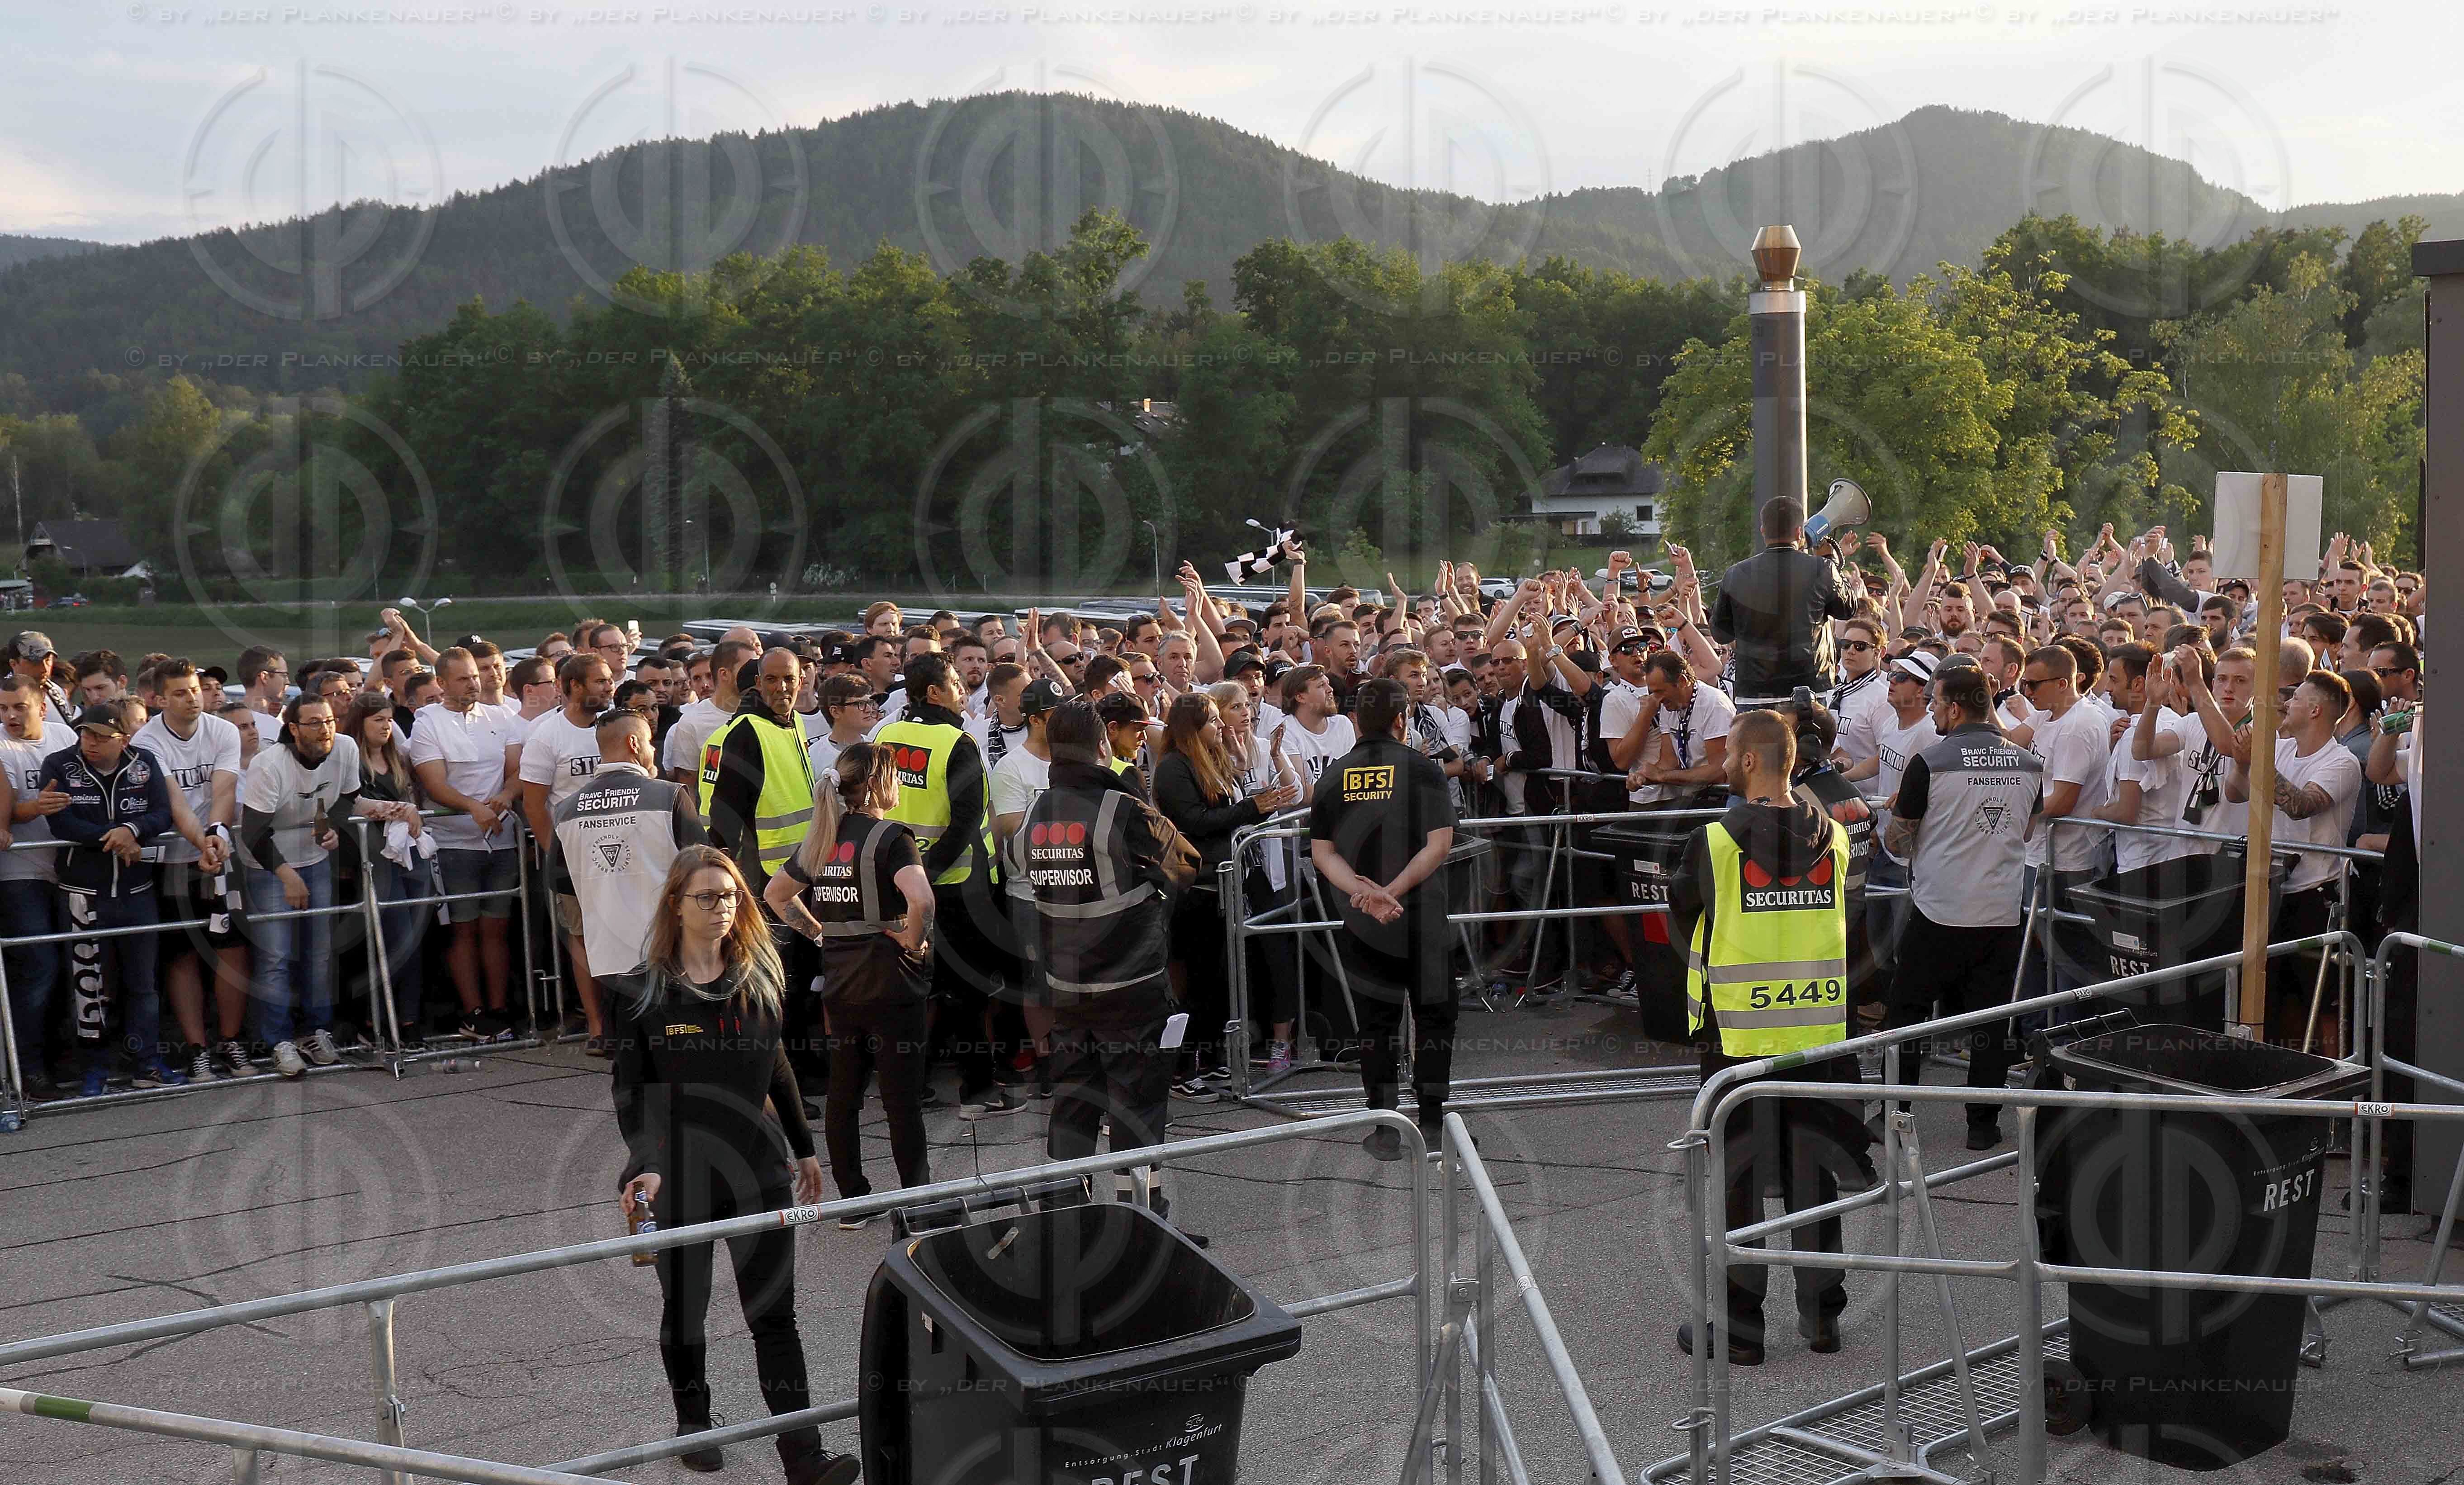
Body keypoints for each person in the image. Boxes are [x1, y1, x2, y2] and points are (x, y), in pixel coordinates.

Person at [608, 848, 857, 1485]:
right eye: (707, 896)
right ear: (675, 904)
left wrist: (805, 1146)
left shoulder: (760, 975)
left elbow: (777, 1065)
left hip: (758, 1171)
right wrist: (646, 1164)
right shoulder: (640, 991)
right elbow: (633, 1094)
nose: (722, 907)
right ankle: (694, 1423)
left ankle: (804, 1457)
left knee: (775, 1318)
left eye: (730, 895)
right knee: (685, 1308)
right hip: (677, 1176)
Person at [1668, 707, 1868, 1364]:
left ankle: (1741, 1329)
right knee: (1815, 1174)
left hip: (1738, 1036)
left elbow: (1682, 916)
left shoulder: (1714, 840)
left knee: (1739, 1181)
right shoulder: (1836, 836)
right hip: (1819, 1032)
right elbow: (1852, 922)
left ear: (1751, 760)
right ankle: (1823, 1315)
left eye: (1730, 754)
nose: (1725, 763)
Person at [1012, 700, 1199, 1216]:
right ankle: (1140, 1217)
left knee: (1075, 1098)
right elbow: (1187, 864)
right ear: (1102, 746)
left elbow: (1018, 864)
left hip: (1067, 986)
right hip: (1131, 982)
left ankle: (1065, 1211)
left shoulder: (1035, 812)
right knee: (1137, 1102)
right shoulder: (1123, 808)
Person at [763, 743, 935, 1223]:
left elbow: (776, 893)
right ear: (879, 783)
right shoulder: (891, 836)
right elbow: (922, 900)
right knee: (901, 1100)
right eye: (895, 775)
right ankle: (918, 1200)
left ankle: (853, 1201)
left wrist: (819, 933)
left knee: (844, 1094)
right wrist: (913, 940)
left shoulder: (825, 834)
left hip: (841, 983)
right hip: (892, 981)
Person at [1882, 666, 2043, 1150]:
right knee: (1991, 1021)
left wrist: (1900, 815)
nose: (1931, 709)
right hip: (2000, 910)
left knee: (1907, 1014)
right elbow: (2027, 830)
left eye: (1935, 702)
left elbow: (1898, 841)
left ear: (1954, 709)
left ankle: (1895, 1113)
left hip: (1940, 910)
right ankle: (1983, 1124)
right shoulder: (2028, 762)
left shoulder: (1929, 762)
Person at [1308, 678, 1459, 1161]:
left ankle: (1385, 1128)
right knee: (1434, 1017)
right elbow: (1439, 844)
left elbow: (1322, 853)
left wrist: (1366, 893)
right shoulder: (1423, 768)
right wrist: (1391, 891)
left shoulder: (1334, 775)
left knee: (1376, 1024)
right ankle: (1431, 1123)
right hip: (1423, 917)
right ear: (1401, 719)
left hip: (1364, 921)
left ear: (1356, 720)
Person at [877, 651, 1021, 1120]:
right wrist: (929, 874)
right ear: (934, 692)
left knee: (914, 991)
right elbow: (965, 821)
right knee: (967, 993)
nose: (963, 691)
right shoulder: (957, 742)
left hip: (899, 881)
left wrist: (907, 874)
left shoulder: (885, 735)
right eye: (955, 683)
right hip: (957, 887)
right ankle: (978, 1092)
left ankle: (910, 1088)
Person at [1153, 691, 1298, 1092]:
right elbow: (1196, 821)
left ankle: (1214, 1056)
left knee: (1221, 980)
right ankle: (1184, 1068)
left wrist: (1258, 799)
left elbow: (1232, 810)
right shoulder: (1173, 767)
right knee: (1198, 980)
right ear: (1192, 728)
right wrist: (1255, 807)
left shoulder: (1214, 759)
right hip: (1198, 889)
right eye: (1213, 720)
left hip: (1227, 885)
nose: (1221, 726)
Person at [43, 703, 184, 1094]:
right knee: (88, 987)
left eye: (102, 736)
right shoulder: (59, 765)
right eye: (86, 733)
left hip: (137, 893)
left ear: (123, 739)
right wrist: (116, 836)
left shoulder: (145, 762)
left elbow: (163, 813)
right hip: (82, 895)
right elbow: (61, 823)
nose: (91, 742)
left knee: (144, 985)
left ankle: (146, 1062)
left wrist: (132, 828)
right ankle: (94, 1069)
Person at [2226, 669, 2364, 1045]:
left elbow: (2302, 805)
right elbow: (2235, 793)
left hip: (2317, 894)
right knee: (2279, 996)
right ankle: (2286, 1068)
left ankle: (2333, 1074)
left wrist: (2258, 759)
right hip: (2273, 889)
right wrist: (2242, 762)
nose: (2287, 703)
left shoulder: (2342, 762)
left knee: (2323, 1001)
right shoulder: (2282, 748)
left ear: (2316, 710)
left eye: (2297, 698)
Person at [131, 659, 246, 1084]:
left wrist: (216, 836)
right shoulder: (147, 739)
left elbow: (224, 789)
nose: (192, 698)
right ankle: (198, 1049)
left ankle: (231, 1042)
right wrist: (202, 843)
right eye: (180, 693)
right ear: (159, 699)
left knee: (232, 947)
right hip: (173, 860)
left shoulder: (224, 731)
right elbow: (175, 802)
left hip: (218, 851)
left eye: (195, 689)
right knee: (183, 954)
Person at [239, 694, 365, 1078]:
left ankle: (316, 1031)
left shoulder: (346, 748)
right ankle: (278, 1040)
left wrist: (331, 829)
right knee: (276, 956)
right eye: (314, 723)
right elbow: (253, 832)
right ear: (293, 729)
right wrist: (286, 874)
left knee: (320, 953)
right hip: (267, 867)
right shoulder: (269, 764)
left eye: (329, 721)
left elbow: (347, 798)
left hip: (315, 860)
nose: (325, 729)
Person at [549, 712, 706, 1007]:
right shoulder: (670, 796)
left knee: (626, 1036)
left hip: (608, 961)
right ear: (634, 744)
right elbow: (705, 869)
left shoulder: (566, 810)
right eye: (650, 742)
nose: (654, 750)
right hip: (671, 952)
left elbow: (561, 885)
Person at [408, 647, 526, 1040]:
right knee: (463, 928)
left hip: (501, 839)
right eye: (463, 678)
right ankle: (473, 1012)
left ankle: (499, 1008)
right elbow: (434, 783)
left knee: (497, 927)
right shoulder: (427, 723)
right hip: (452, 842)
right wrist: (474, 807)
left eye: (474, 675)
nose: (473, 683)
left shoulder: (502, 716)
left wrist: (506, 796)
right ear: (442, 683)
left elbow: (517, 771)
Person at [521, 653, 615, 1051]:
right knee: (583, 939)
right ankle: (598, 1028)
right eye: (601, 681)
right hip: (573, 857)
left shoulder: (617, 726)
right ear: (574, 686)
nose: (610, 687)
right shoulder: (547, 736)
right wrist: (556, 855)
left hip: (623, 851)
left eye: (609, 680)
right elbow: (533, 805)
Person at [341, 691, 429, 1045]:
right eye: (378, 720)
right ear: (360, 722)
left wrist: (408, 810)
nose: (386, 726)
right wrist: (398, 810)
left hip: (410, 853)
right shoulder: (351, 759)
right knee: (392, 938)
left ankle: (409, 1018)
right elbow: (351, 803)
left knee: (415, 939)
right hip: (375, 857)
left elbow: (414, 799)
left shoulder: (398, 759)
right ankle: (376, 1019)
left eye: (390, 720)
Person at [1710, 497, 1858, 703]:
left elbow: (1721, 634)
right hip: (1809, 690)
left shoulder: (1735, 574)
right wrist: (1829, 559)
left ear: (1763, 530)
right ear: (1799, 532)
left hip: (1754, 693)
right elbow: (1848, 609)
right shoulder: (1822, 569)